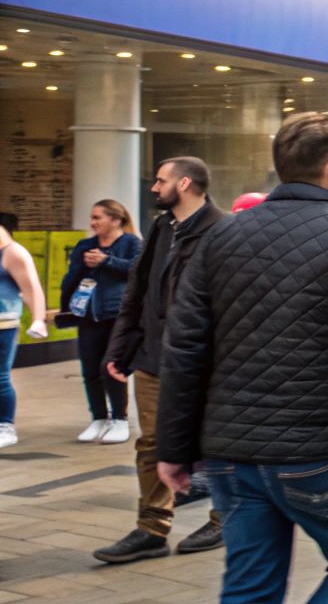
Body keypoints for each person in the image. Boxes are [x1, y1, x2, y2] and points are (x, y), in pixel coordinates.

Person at [156, 111, 328, 604]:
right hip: (326, 447)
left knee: (250, 584)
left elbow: (185, 347)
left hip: (233, 452)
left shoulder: (220, 237)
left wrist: (172, 447)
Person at [96, 157, 228, 564]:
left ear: (184, 183)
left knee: (214, 441)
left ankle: (225, 519)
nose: (154, 187)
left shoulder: (224, 230)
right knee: (151, 441)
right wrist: (120, 348)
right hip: (153, 356)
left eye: (160, 180)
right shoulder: (161, 227)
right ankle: (152, 528)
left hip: (205, 360)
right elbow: (138, 290)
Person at [62, 199, 141, 444]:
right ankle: (98, 418)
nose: (93, 222)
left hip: (118, 316)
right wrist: (65, 307)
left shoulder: (131, 243)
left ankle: (119, 419)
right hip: (89, 315)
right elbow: (71, 279)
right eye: (92, 217)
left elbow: (138, 270)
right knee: (90, 369)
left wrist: (106, 261)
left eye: (98, 217)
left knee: (112, 367)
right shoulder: (85, 245)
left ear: (115, 220)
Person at [0, 211, 50, 450]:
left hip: (4, 325)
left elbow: (32, 289)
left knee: (0, 377)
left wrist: (38, 319)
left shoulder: (13, 253)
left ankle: (5, 425)